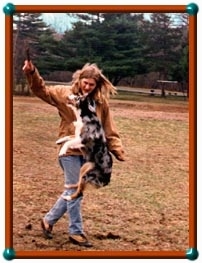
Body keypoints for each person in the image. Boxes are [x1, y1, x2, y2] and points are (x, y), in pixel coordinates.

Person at [22, 61, 125, 247]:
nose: (87, 87)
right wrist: (32, 73)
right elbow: (41, 90)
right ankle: (75, 232)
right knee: (74, 189)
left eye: (91, 85)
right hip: (68, 149)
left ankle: (48, 220)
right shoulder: (64, 94)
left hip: (89, 152)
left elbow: (108, 128)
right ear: (79, 79)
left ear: (97, 85)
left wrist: (116, 149)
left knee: (75, 190)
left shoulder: (101, 102)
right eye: (85, 83)